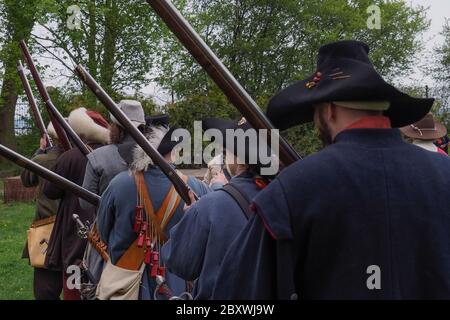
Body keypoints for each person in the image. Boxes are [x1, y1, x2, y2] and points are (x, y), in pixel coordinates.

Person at [212, 40, 450, 300]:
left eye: (315, 112)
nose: (316, 122)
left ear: (328, 109)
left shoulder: (293, 187)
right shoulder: (444, 172)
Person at [96, 123, 212, 300]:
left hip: (125, 282)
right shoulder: (196, 186)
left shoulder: (119, 184)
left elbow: (104, 231)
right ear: (173, 152)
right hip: (179, 286)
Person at [161, 117, 271, 300]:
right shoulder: (285, 194)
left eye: (228, 149)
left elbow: (179, 263)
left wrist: (194, 215)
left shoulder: (209, 206)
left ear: (240, 159)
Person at [43, 107, 110, 300]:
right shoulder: (113, 154)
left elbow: (50, 191)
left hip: (75, 224)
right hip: (105, 221)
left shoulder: (70, 157)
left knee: (74, 275)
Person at [20, 123, 63, 300]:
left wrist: (40, 151)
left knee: (45, 290)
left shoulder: (43, 160)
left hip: (48, 229)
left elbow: (26, 179)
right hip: (75, 227)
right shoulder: (82, 157)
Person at [80, 100, 145, 210]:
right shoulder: (157, 156)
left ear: (116, 128)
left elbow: (85, 204)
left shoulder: (98, 157)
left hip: (110, 225)